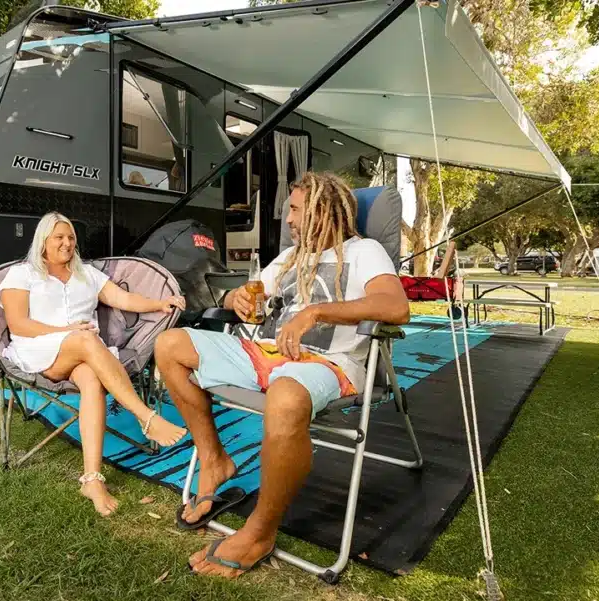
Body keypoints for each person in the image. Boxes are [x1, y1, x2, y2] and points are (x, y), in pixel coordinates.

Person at [154, 172, 411, 578]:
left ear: (322, 209)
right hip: (268, 353)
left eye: (294, 209)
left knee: (286, 395)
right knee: (169, 346)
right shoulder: (291, 256)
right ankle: (213, 458)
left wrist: (316, 312)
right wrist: (234, 296)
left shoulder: (365, 251)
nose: (287, 220)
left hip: (328, 362)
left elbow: (396, 307)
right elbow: (251, 292)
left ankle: (259, 532)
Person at [0, 212, 189, 517]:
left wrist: (159, 304)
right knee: (87, 341)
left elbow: (123, 299)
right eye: (59, 237)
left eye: (70, 237)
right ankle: (145, 417)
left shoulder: (86, 274)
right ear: (43, 241)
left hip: (86, 351)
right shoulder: (23, 274)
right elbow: (18, 325)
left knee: (92, 379)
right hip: (41, 349)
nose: (67, 243)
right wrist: (68, 332)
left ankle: (92, 479)